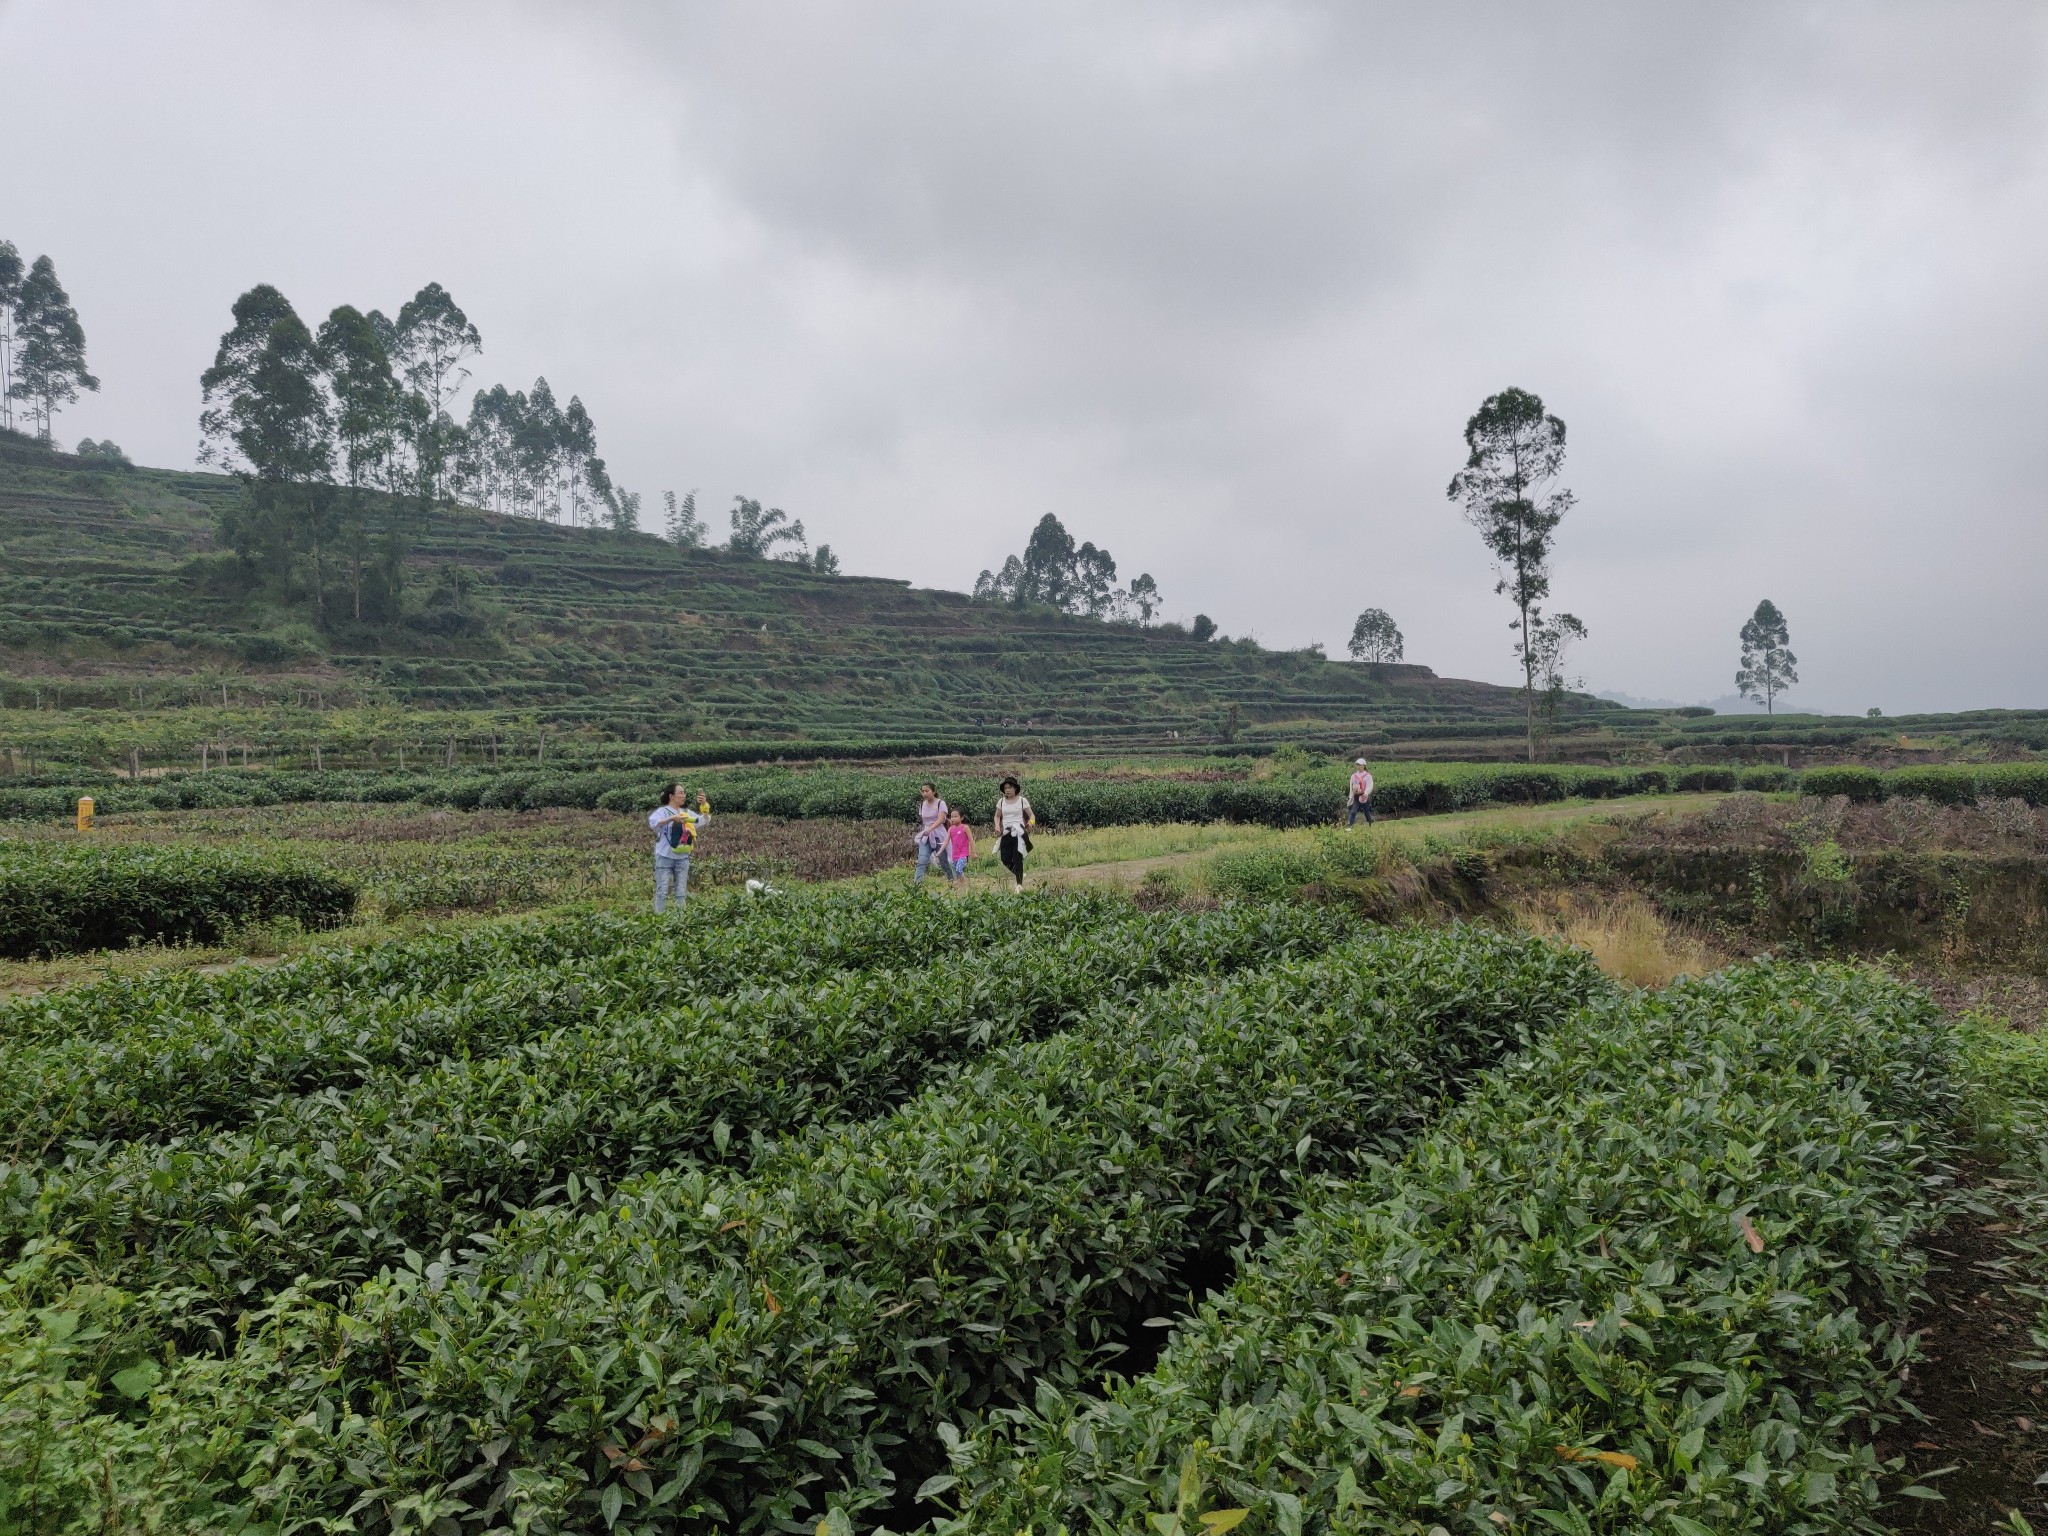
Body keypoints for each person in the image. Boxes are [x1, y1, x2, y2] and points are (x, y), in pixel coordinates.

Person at [649, 782, 710, 911]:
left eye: (684, 793)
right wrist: (672, 818)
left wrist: (704, 806)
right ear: (671, 796)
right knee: (662, 892)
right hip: (664, 856)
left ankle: (681, 920)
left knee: (681, 893)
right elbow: (654, 823)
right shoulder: (662, 811)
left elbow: (702, 820)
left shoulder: (686, 812)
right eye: (680, 793)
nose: (684, 796)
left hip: (683, 857)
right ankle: (660, 920)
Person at [992, 776, 1034, 890]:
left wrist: (1031, 823)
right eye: (1005, 788)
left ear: (1015, 788)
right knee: (1004, 858)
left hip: (1019, 832)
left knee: (1017, 858)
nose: (1007, 790)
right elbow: (997, 816)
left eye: (1010, 787)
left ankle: (1019, 885)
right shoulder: (1001, 802)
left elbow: (1032, 815)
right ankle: (1019, 874)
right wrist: (997, 825)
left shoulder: (1022, 801)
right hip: (1006, 833)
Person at [912, 782, 951, 885]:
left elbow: (941, 819)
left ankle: (953, 880)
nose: (925, 793)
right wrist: (926, 830)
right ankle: (917, 884)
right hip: (926, 837)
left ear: (933, 791)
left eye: (927, 791)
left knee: (944, 861)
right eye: (923, 791)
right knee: (922, 860)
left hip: (939, 835)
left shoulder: (940, 803)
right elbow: (924, 820)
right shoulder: (922, 805)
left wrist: (930, 829)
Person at [945, 807, 972, 884]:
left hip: (963, 854)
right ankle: (962, 883)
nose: (953, 819)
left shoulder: (965, 827)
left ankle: (965, 883)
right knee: (957, 871)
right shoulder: (951, 829)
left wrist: (973, 852)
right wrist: (940, 851)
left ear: (962, 817)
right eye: (951, 817)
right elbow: (946, 841)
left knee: (958, 869)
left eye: (955, 816)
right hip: (955, 855)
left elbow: (971, 840)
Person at [1346, 757, 1376, 827]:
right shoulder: (1354, 776)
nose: (1358, 766)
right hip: (1356, 796)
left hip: (1364, 796)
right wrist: (1351, 795)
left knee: (1366, 811)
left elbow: (1370, 785)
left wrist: (1366, 793)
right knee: (1353, 812)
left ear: (1364, 766)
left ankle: (1370, 823)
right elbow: (1351, 785)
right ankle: (1350, 825)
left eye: (1360, 765)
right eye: (1357, 765)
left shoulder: (1368, 776)